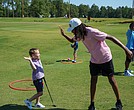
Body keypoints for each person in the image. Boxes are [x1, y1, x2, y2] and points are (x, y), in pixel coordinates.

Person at [59, 18, 132, 110]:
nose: (72, 32)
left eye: (73, 30)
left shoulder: (92, 31)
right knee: (93, 80)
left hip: (105, 57)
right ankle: (92, 104)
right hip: (94, 59)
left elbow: (111, 37)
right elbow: (72, 40)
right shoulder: (79, 35)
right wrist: (64, 35)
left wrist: (126, 49)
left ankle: (119, 102)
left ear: (78, 28)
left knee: (111, 80)